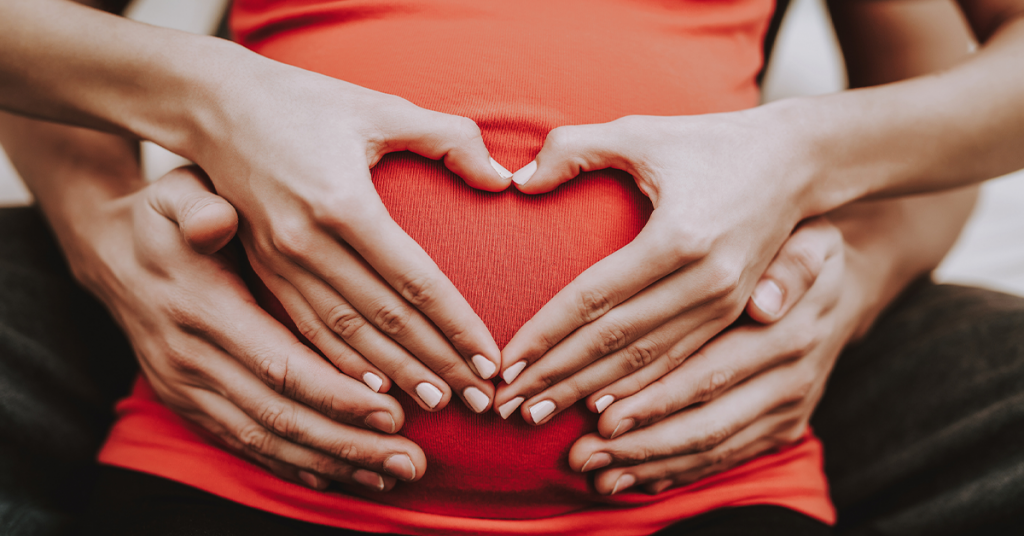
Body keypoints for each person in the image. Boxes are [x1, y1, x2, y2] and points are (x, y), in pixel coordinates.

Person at [0, 0, 1022, 535]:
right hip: (237, 454)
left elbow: (940, 117)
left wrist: (839, 246)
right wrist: (118, 225)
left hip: (696, 481)